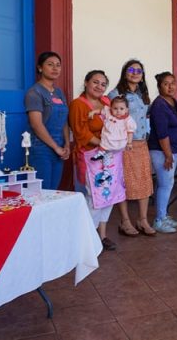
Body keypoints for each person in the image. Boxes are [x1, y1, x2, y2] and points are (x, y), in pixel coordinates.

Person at [68, 70, 117, 251]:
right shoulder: (78, 105)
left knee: (108, 196)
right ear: (86, 83)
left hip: (110, 156)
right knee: (95, 198)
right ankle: (86, 238)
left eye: (103, 84)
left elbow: (116, 122)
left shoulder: (106, 102)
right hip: (90, 156)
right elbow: (81, 133)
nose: (99, 87)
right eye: (95, 82)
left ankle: (101, 236)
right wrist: (104, 144)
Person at [108, 59, 156, 236]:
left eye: (139, 70)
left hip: (142, 144)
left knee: (144, 181)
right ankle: (125, 221)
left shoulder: (142, 95)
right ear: (124, 72)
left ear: (142, 76)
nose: (135, 73)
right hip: (124, 145)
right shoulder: (116, 94)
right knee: (125, 182)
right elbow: (110, 119)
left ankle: (142, 220)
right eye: (131, 69)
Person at [24, 51, 70, 190]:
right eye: (50, 65)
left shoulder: (59, 92)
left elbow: (64, 120)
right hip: (41, 148)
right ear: (40, 68)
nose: (55, 68)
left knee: (53, 191)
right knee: (42, 192)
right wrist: (55, 147)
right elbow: (36, 124)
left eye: (58, 65)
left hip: (59, 149)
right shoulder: (34, 93)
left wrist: (67, 144)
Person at [148, 72, 177, 234]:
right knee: (165, 184)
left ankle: (164, 214)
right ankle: (159, 219)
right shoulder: (159, 105)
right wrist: (168, 155)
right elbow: (162, 133)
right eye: (166, 84)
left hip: (172, 150)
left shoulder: (173, 102)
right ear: (159, 86)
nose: (170, 87)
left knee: (167, 184)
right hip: (161, 151)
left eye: (173, 83)